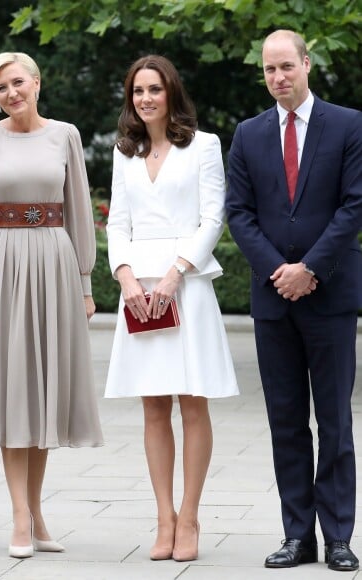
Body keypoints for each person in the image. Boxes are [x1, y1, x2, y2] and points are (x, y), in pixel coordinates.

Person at [0, 52, 104, 559]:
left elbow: (79, 207)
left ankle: (37, 513)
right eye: (0, 88)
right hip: (1, 266)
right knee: (13, 389)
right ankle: (19, 515)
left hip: (54, 264)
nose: (11, 93)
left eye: (18, 83)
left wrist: (85, 282)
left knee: (41, 392)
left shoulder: (66, 135)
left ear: (37, 82)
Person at [226, 30, 362, 571]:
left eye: (286, 66)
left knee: (333, 422)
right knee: (285, 422)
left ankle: (338, 537)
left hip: (329, 297)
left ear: (307, 63)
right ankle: (296, 536)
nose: (278, 77)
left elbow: (354, 206)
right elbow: (240, 213)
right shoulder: (248, 134)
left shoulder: (349, 125)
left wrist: (310, 269)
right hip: (273, 300)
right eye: (268, 70)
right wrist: (279, 272)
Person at [104, 55, 239, 562]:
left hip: (186, 283)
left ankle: (190, 516)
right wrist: (124, 277)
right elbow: (118, 222)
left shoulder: (203, 146)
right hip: (138, 291)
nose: (145, 99)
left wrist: (175, 273)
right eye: (138, 90)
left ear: (171, 93)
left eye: (154, 90)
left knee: (192, 400)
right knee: (153, 404)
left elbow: (213, 217)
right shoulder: (125, 151)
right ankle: (163, 519)